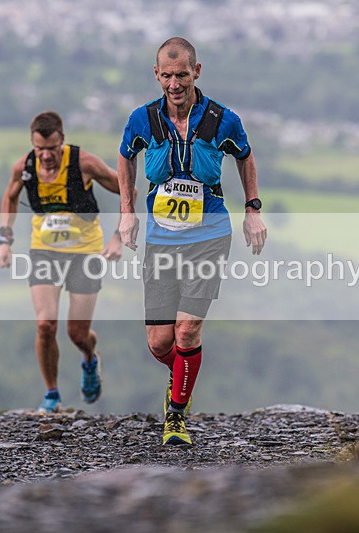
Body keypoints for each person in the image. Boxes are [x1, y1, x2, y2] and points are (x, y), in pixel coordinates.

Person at [117, 37, 267, 445]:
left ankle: (176, 417)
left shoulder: (222, 119)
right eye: (167, 76)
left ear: (196, 72)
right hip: (161, 240)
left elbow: (245, 156)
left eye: (182, 75)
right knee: (160, 342)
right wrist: (126, 210)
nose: (174, 84)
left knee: (187, 330)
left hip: (209, 235)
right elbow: (125, 157)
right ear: (156, 74)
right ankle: (183, 370)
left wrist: (253, 209)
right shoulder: (142, 119)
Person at [0, 111, 125, 414]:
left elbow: (127, 191)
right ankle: (51, 394)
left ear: (62, 141)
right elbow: (10, 197)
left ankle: (90, 358)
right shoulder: (25, 167)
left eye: (52, 149)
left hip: (85, 253)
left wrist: (119, 236)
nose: (46, 156)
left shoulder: (84, 163)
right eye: (40, 149)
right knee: (45, 324)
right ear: (33, 143)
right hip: (44, 251)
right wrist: (5, 241)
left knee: (76, 334)